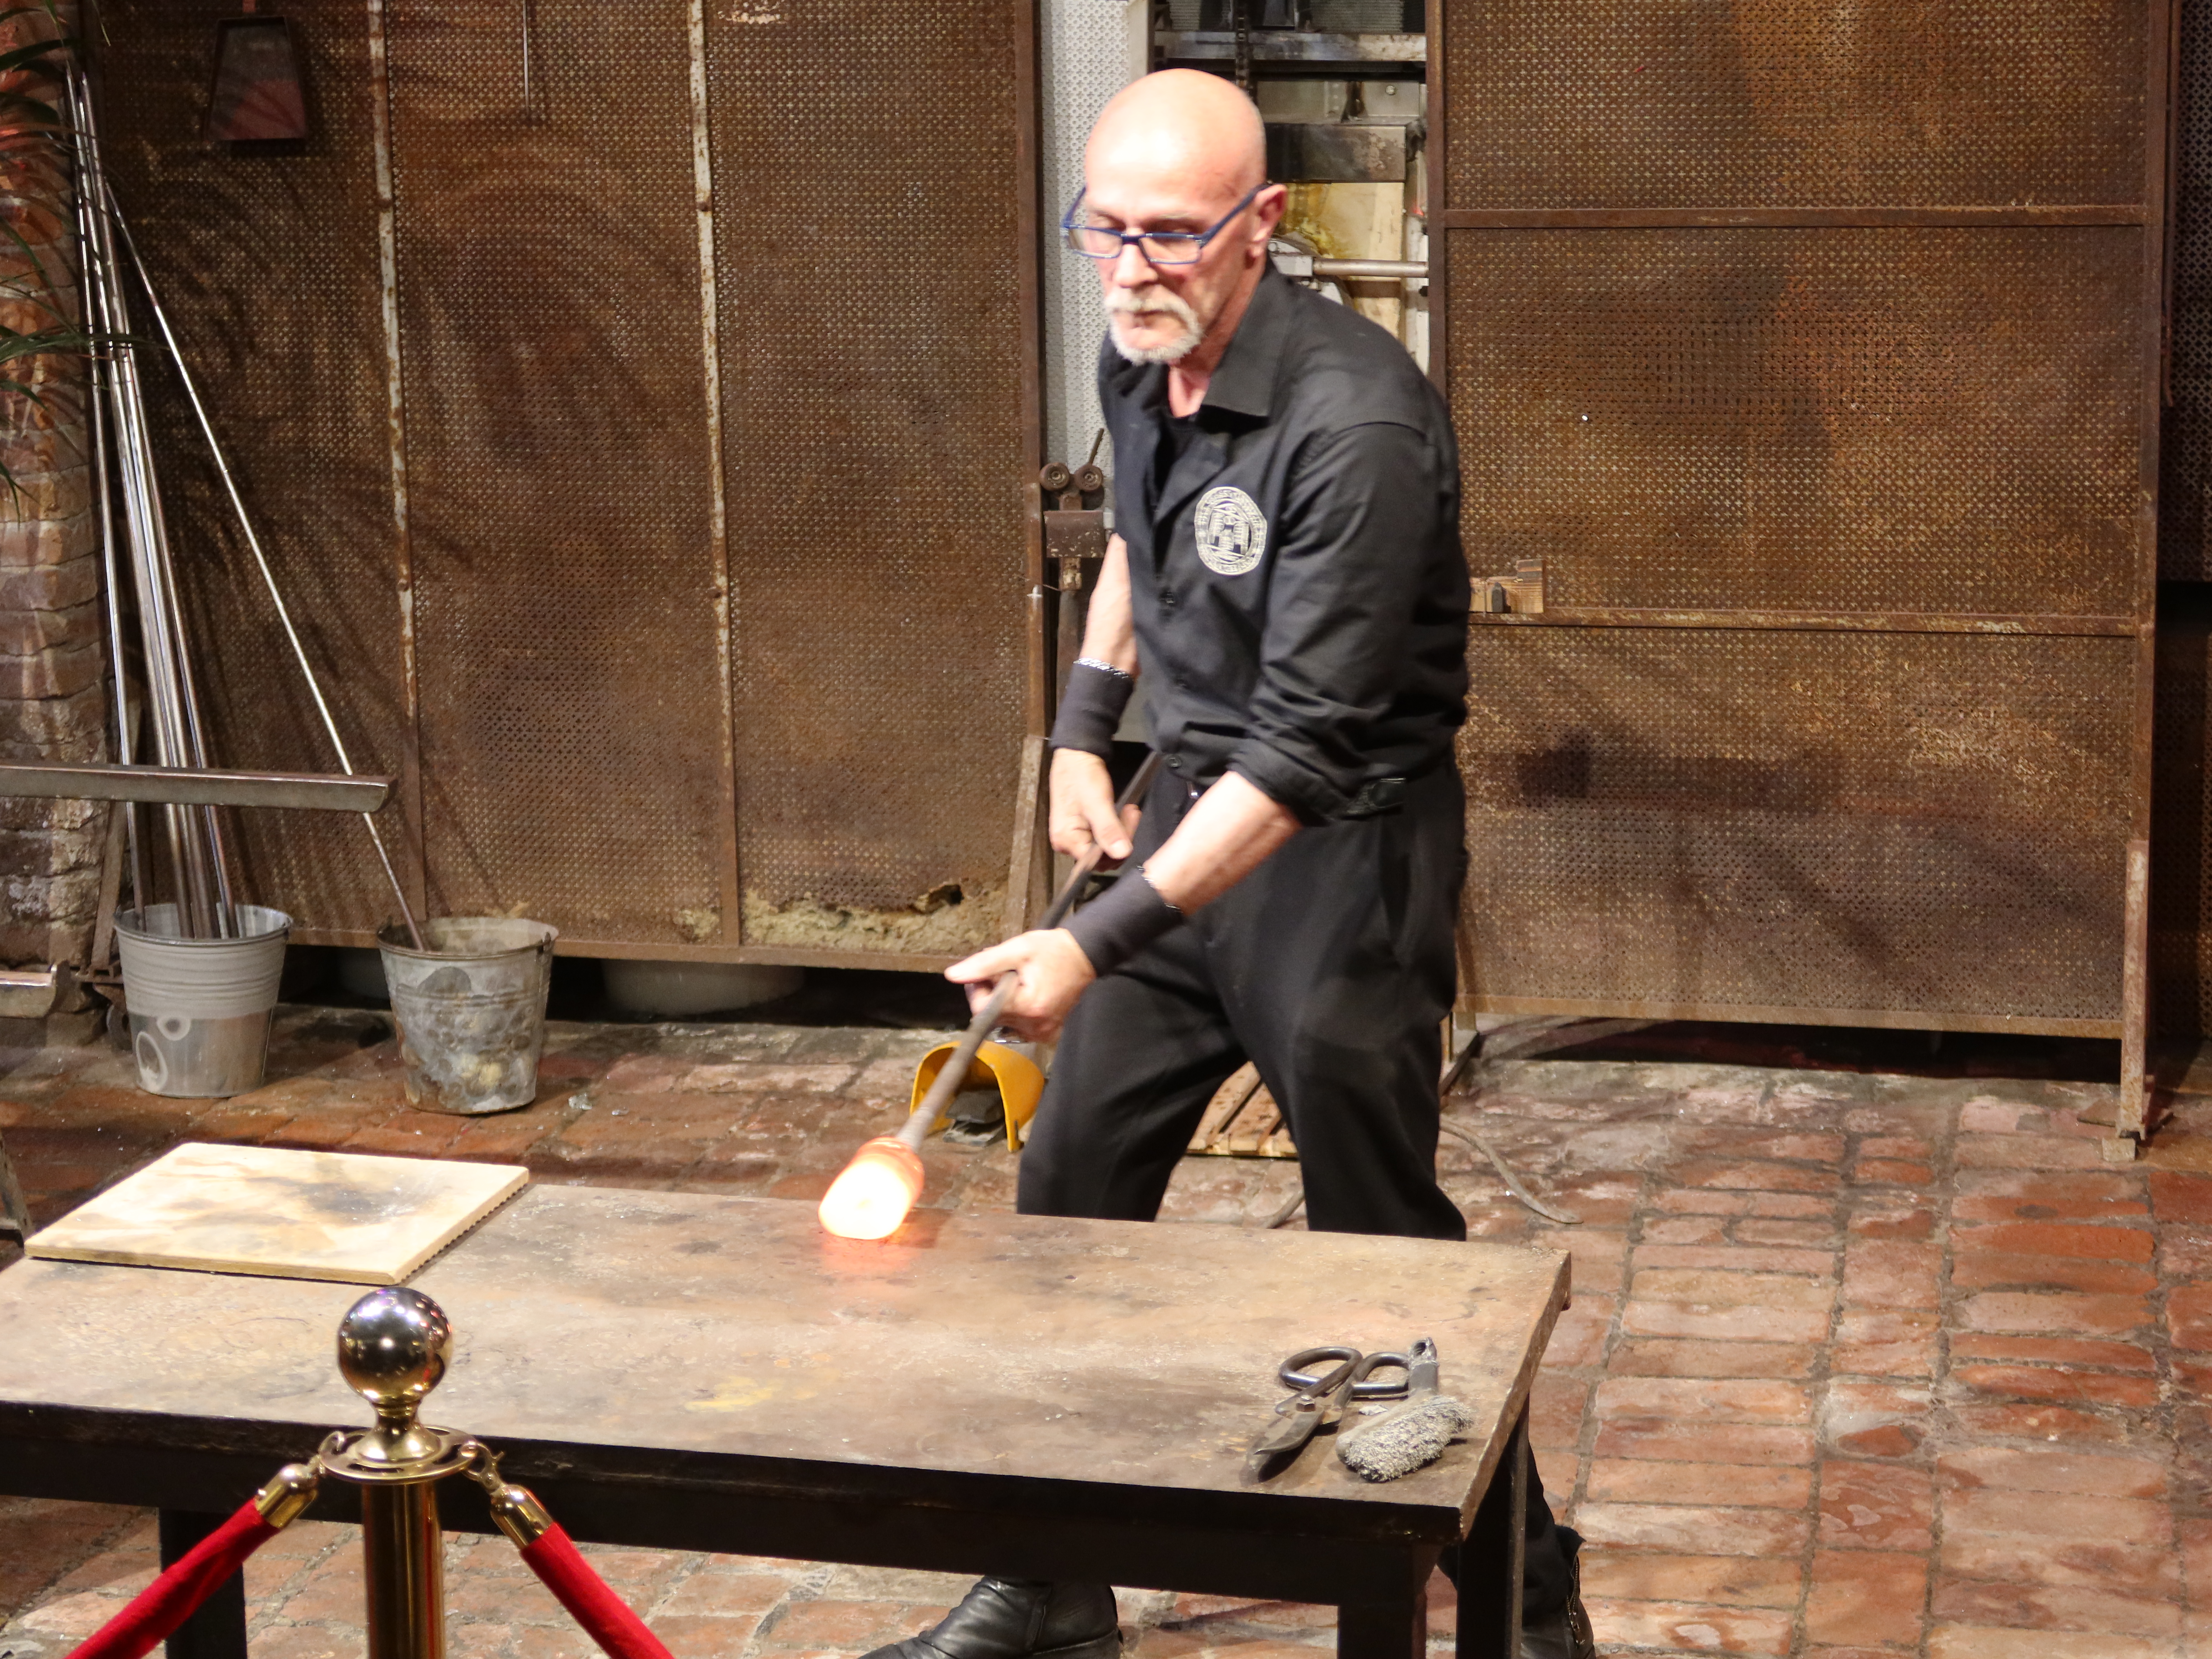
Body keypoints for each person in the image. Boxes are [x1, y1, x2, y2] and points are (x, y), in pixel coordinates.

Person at [858, 69, 1594, 1659]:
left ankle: (1529, 1610)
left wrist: (1093, 939)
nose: (1131, 267)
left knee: (1379, 1240)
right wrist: (1083, 726)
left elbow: (1310, 749)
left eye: (1174, 236)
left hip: (1338, 849)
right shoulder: (1145, 354)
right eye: (1105, 230)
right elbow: (1139, 536)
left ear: (1262, 226)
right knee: (1066, 1202)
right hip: (1185, 812)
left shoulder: (1360, 426)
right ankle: (1053, 1582)